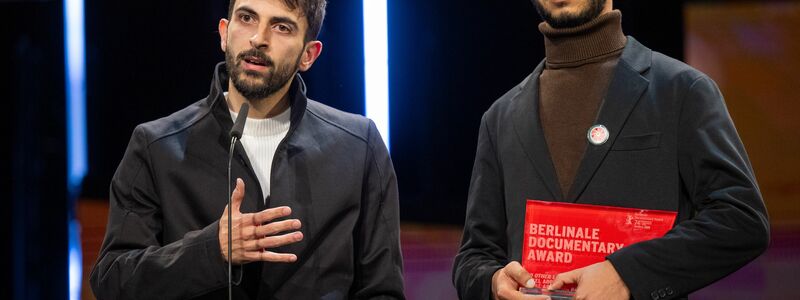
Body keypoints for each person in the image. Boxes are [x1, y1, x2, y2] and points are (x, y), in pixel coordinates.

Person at [452, 1, 769, 299]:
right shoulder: (501, 117)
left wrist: (628, 273)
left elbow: (741, 219)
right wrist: (492, 282)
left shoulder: (682, 91)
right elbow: (474, 256)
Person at [89, 0, 405, 298]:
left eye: (281, 27)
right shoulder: (156, 147)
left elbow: (382, 290)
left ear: (309, 55)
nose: (258, 38)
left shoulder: (359, 146)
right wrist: (213, 249)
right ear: (224, 33)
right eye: (246, 17)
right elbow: (113, 281)